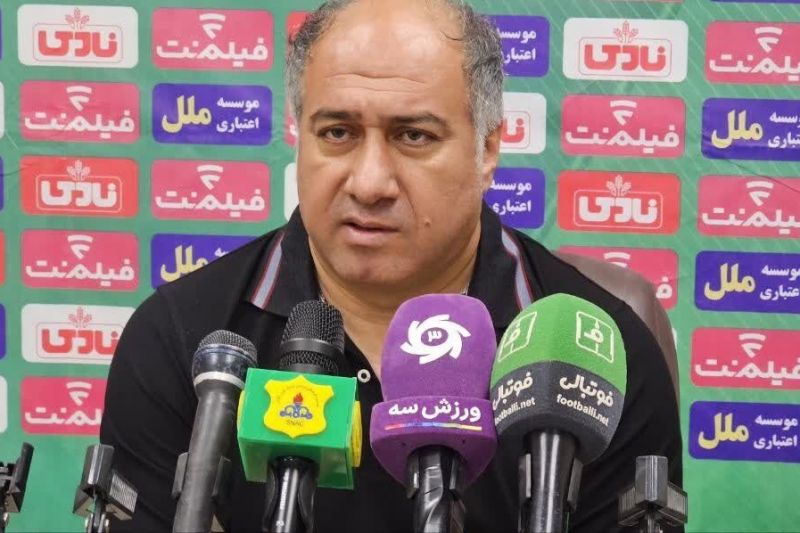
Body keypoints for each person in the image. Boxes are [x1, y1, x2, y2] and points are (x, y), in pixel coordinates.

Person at [100, 1, 683, 531]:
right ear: (299, 137)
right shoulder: (185, 341)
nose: (369, 182)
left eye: (413, 136)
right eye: (337, 132)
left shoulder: (598, 358)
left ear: (486, 149)